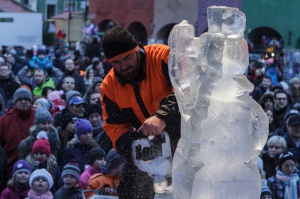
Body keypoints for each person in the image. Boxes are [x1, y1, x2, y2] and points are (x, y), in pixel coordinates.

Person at [100, 26, 181, 198]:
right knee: (129, 189)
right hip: (147, 144)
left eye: (128, 58)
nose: (124, 66)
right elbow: (114, 126)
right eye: (116, 62)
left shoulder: (162, 57)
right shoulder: (109, 86)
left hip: (183, 136)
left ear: (137, 48)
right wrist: (130, 145)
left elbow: (186, 90)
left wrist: (161, 116)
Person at [0, 88, 35, 177]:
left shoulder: (37, 116)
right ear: (15, 101)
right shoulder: (5, 119)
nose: (23, 102)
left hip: (34, 164)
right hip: (10, 166)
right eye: (20, 99)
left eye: (26, 99)